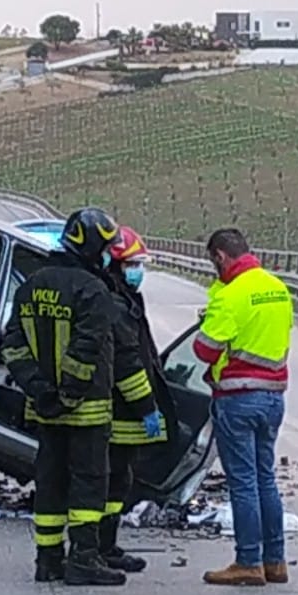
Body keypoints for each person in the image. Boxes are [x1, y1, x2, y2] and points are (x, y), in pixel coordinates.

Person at [0, 207, 126, 586]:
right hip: (85, 411)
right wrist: (67, 393)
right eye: (104, 246)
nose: (107, 255)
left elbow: (14, 345)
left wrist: (38, 389)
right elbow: (86, 348)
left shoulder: (31, 285)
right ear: (90, 245)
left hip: (44, 411)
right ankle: (84, 557)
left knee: (50, 482)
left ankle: (47, 560)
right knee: (89, 483)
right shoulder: (93, 290)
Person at [191, 228, 295, 587]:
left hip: (237, 398)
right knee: (266, 478)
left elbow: (204, 350)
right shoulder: (277, 288)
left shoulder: (230, 296)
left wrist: (209, 320)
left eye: (213, 262)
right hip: (273, 398)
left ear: (220, 256)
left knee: (244, 482)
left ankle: (248, 561)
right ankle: (275, 561)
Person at [99, 226, 172, 574]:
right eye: (134, 264)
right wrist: (147, 407)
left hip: (123, 411)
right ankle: (99, 548)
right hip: (117, 409)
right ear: (115, 265)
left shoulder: (125, 300)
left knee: (119, 481)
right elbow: (127, 363)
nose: (138, 271)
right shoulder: (113, 304)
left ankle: (106, 546)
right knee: (109, 481)